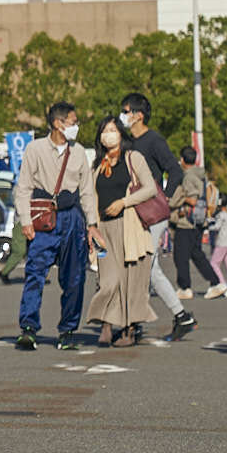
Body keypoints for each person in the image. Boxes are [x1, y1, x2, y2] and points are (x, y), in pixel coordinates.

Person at [12, 102, 95, 351]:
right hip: (43, 218)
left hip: (72, 218)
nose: (76, 126)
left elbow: (88, 192)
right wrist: (25, 220)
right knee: (35, 273)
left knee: (74, 277)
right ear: (59, 123)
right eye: (73, 122)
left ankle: (68, 330)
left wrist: (92, 224)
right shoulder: (35, 148)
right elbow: (23, 186)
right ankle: (28, 328)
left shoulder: (79, 152)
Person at [118, 93, 196, 341]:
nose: (123, 115)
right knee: (147, 268)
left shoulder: (154, 141)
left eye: (126, 111)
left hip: (153, 213)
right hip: (133, 213)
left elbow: (175, 171)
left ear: (139, 115)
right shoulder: (127, 141)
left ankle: (137, 322)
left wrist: (165, 199)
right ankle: (181, 316)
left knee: (145, 266)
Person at [85, 116, 159, 347]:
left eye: (112, 130)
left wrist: (124, 202)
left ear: (121, 134)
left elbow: (150, 189)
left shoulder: (132, 158)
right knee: (107, 280)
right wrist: (91, 225)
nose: (108, 134)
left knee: (132, 280)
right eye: (104, 131)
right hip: (103, 231)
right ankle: (106, 324)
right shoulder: (97, 165)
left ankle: (129, 329)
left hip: (130, 229)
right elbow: (89, 197)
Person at [169, 145, 220, 299]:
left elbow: (192, 199)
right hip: (198, 221)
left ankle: (185, 287)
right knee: (196, 253)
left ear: (183, 160)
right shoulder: (201, 176)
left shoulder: (188, 177)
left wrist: (179, 199)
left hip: (187, 221)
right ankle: (215, 283)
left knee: (180, 255)